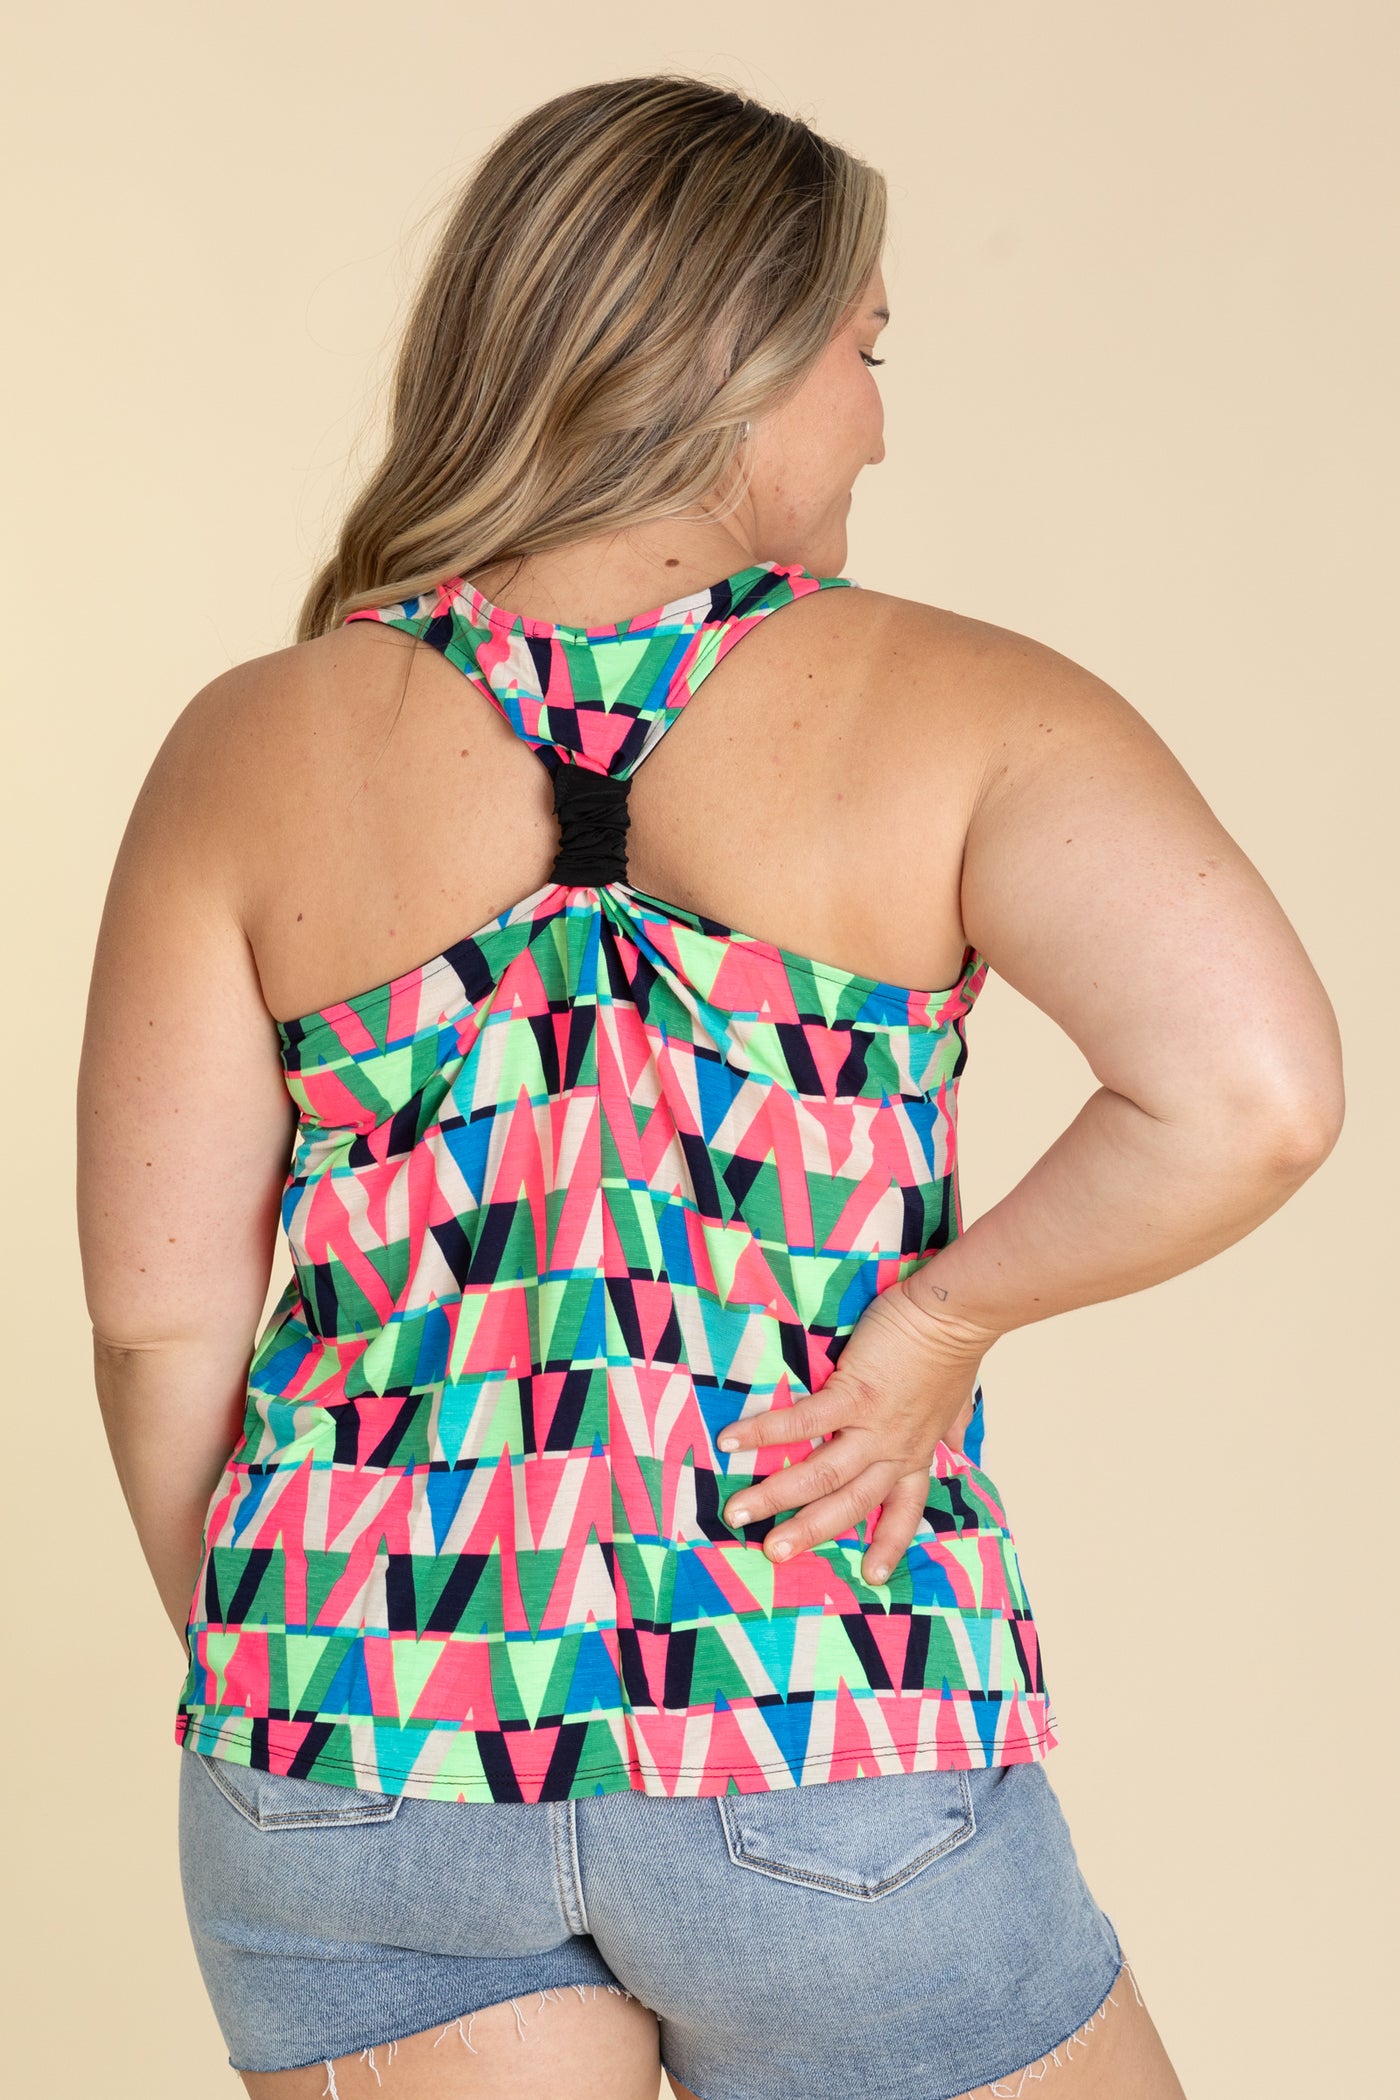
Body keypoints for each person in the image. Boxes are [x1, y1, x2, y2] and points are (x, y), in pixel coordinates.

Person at [76, 73, 1343, 2100]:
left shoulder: (247, 745)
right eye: (865, 350)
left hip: (348, 1755)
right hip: (808, 1708)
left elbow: (160, 1327)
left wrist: (301, 1694)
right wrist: (941, 1323)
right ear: (739, 361)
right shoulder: (961, 704)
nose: (880, 422)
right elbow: (1254, 1094)